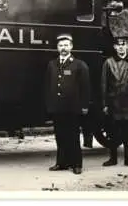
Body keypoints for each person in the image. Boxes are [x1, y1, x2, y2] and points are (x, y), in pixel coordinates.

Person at [46, 33, 91, 174]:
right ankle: (62, 163)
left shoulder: (80, 65)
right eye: (60, 46)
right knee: (60, 136)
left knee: (73, 136)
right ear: (57, 48)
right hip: (57, 107)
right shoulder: (52, 64)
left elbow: (86, 87)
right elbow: (47, 86)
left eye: (66, 45)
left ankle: (77, 164)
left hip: (73, 108)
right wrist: (49, 105)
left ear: (71, 46)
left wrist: (84, 106)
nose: (63, 48)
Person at [101, 35, 128, 168]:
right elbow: (103, 85)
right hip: (113, 103)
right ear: (114, 47)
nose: (120, 47)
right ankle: (112, 159)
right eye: (118, 45)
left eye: (123, 44)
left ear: (127, 46)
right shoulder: (108, 62)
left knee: (126, 133)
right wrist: (104, 104)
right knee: (112, 133)